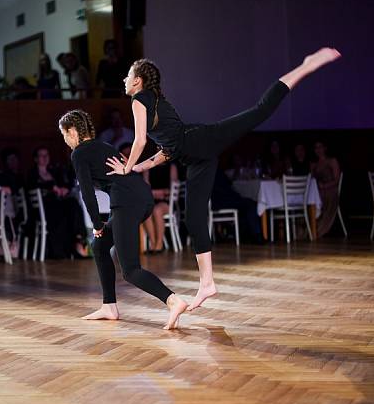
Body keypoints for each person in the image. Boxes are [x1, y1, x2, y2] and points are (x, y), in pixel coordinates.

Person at [106, 48, 341, 310]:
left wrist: (127, 168)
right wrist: (139, 167)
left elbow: (139, 140)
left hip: (202, 140)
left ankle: (306, 65)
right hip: (196, 159)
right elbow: (169, 148)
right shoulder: (154, 101)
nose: (124, 80)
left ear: (137, 80)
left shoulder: (139, 100)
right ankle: (207, 283)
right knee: (193, 218)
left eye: (127, 76)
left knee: (259, 111)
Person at [59, 109, 188, 329]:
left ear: (72, 132)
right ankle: (109, 306)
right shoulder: (104, 146)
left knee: (130, 270)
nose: (64, 140)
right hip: (142, 198)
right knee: (100, 246)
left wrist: (97, 225)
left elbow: (87, 193)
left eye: (64, 134)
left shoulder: (79, 153)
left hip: (127, 202)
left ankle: (173, 300)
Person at [28, 146, 89, 258]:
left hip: (58, 205)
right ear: (36, 159)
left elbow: (64, 184)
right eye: (42, 155)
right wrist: (52, 188)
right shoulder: (32, 173)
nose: (45, 158)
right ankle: (76, 245)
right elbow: (33, 186)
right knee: (68, 208)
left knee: (73, 203)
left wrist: (63, 189)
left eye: (47, 155)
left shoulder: (53, 171)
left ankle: (79, 239)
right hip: (44, 209)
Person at [142, 160, 179, 253]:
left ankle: (159, 244)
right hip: (152, 201)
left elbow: (172, 188)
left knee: (157, 210)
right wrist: (157, 193)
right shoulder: (148, 168)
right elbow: (146, 188)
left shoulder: (171, 167)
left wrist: (158, 192)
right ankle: (153, 243)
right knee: (146, 211)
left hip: (167, 202)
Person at [311, 141, 341, 237]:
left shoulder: (332, 161)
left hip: (330, 191)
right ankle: (309, 227)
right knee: (311, 201)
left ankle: (318, 230)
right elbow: (311, 180)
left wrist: (325, 186)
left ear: (325, 148)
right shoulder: (314, 165)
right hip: (318, 192)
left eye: (320, 147)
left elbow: (337, 180)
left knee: (324, 199)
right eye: (316, 147)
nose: (318, 150)